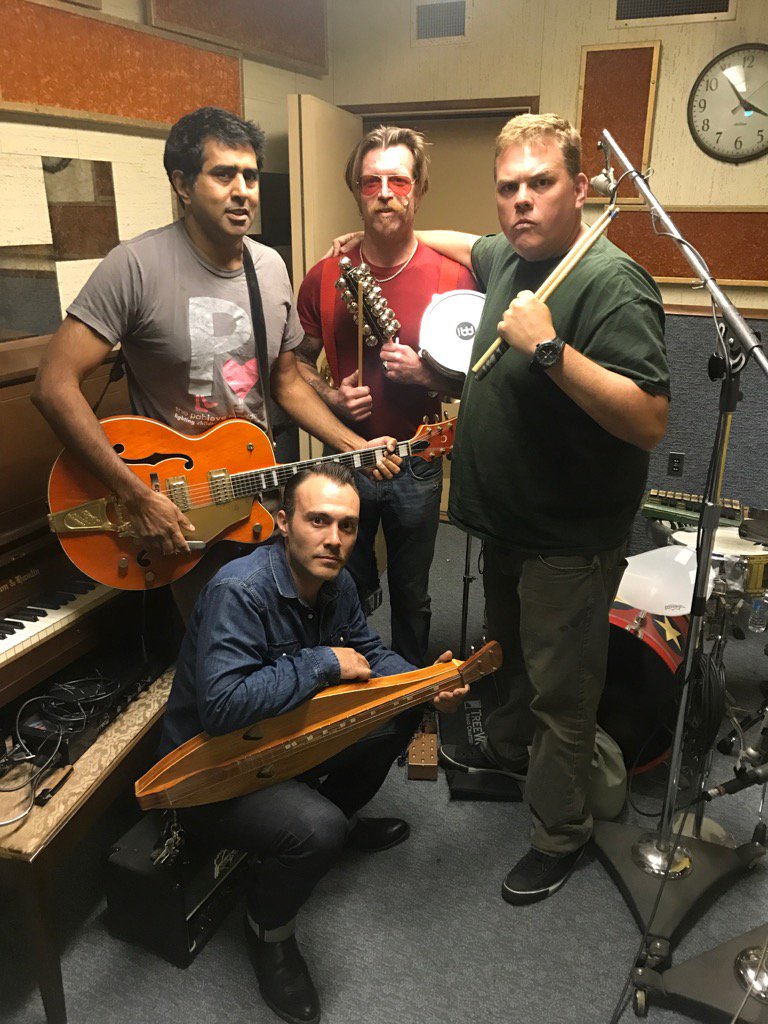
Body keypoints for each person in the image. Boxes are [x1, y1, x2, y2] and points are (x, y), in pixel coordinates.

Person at [406, 113, 670, 904]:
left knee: (562, 693)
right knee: (511, 658)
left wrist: (550, 350)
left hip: (567, 541)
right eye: (508, 187)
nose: (521, 200)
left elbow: (648, 418)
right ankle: (515, 755)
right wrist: (394, 237)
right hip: (507, 527)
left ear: (579, 188)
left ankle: (561, 834)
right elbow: (468, 243)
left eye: (541, 183)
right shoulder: (509, 256)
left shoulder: (611, 281)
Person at [32, 107, 400, 617]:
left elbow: (287, 382)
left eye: (250, 176)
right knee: (217, 642)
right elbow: (53, 385)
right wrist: (134, 494)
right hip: (181, 503)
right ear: (182, 185)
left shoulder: (269, 268)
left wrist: (355, 446)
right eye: (223, 174)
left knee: (284, 628)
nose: (242, 190)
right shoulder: (134, 266)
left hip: (257, 493)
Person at [158, 464, 467, 1024]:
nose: (334, 539)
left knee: (400, 713)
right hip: (214, 772)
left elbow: (369, 654)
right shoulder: (238, 591)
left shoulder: (336, 582)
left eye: (347, 526)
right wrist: (322, 662)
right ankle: (268, 929)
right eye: (318, 521)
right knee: (315, 830)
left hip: (283, 745)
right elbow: (223, 707)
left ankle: (332, 824)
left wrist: (424, 684)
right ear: (283, 522)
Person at [295, 126, 475, 666]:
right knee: (336, 585)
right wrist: (330, 396)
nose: (385, 193)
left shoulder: (454, 276)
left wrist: (427, 376)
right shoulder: (324, 276)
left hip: (416, 461)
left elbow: (478, 381)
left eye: (398, 180)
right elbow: (295, 366)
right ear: (356, 191)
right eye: (371, 181)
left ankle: (411, 693)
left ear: (419, 189)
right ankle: (344, 686)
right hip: (343, 457)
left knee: (412, 594)